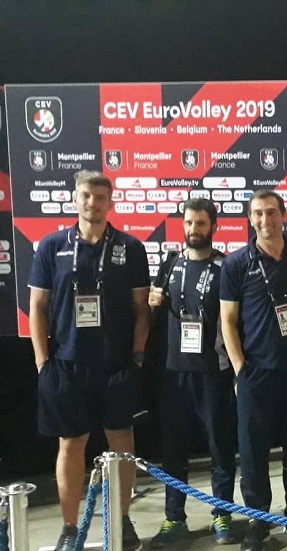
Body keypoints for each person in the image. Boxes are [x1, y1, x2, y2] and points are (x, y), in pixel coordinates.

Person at [29, 170, 149, 551]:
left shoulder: (130, 247)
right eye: (85, 196)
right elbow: (38, 307)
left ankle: (123, 521)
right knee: (70, 444)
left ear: (110, 202)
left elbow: (142, 309)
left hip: (116, 365)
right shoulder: (52, 246)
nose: (92, 203)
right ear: (75, 199)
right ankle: (69, 528)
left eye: (99, 197)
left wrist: (137, 357)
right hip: (67, 364)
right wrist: (43, 364)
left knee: (122, 444)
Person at [219, 190, 287, 550]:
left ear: (284, 215)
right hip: (257, 373)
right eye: (258, 214)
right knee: (253, 453)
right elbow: (228, 321)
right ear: (251, 219)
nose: (265, 220)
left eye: (271, 212)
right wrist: (240, 370)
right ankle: (258, 520)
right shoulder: (236, 263)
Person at [147, 199, 237, 547]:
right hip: (174, 374)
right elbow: (155, 313)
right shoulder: (170, 263)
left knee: (220, 447)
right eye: (188, 223)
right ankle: (174, 518)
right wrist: (152, 303)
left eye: (200, 223)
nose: (193, 229)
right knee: (174, 451)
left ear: (213, 226)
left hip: (213, 372)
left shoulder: (225, 267)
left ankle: (222, 514)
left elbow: (234, 321)